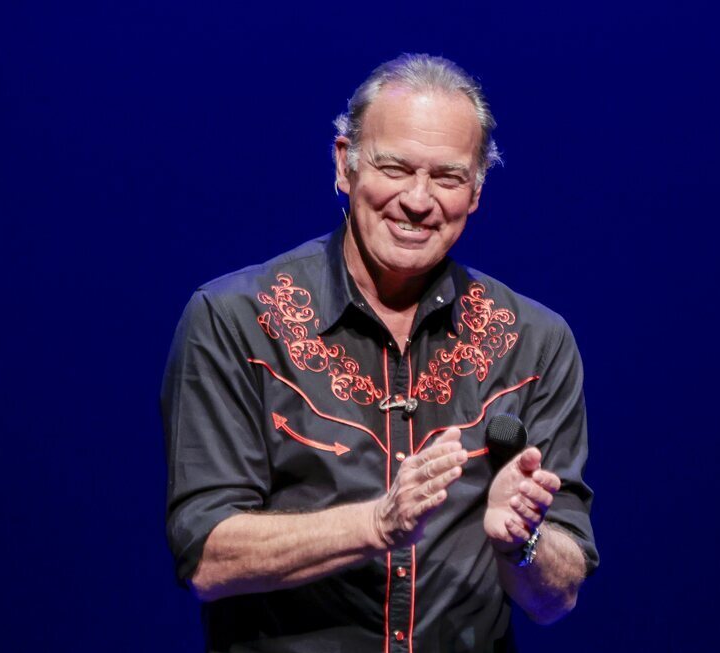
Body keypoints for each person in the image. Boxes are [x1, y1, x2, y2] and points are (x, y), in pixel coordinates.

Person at [161, 53, 598, 652]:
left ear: (476, 192)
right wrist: (377, 524)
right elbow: (206, 556)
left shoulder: (536, 341)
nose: (418, 201)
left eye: (447, 177)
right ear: (345, 164)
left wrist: (519, 542)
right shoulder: (236, 320)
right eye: (394, 168)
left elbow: (557, 598)